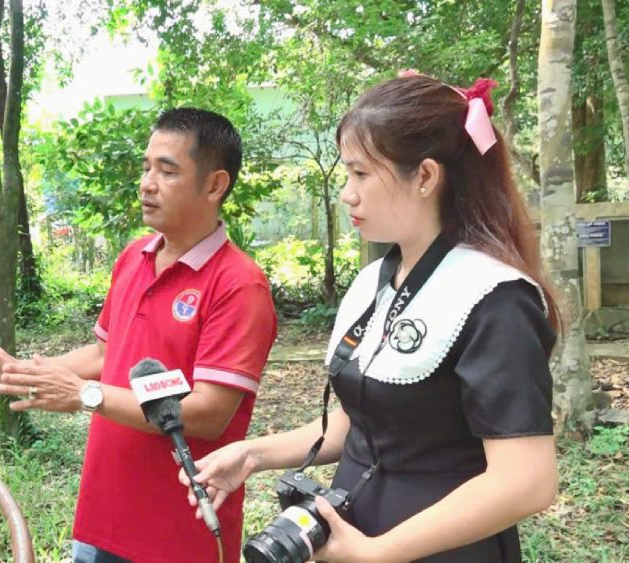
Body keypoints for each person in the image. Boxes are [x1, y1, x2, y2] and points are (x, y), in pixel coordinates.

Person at [182, 74, 560, 562]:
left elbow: (526, 480)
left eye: (360, 174)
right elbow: (362, 424)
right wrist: (252, 454)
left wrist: (378, 552)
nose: (347, 194)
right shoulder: (376, 281)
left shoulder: (495, 297)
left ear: (425, 177)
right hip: (357, 535)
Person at [0, 107, 277, 562]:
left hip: (177, 535)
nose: (147, 184)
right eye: (146, 168)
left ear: (214, 185)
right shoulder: (134, 258)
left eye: (167, 171)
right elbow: (106, 354)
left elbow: (208, 413)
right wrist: (20, 371)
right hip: (103, 516)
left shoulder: (239, 285)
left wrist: (85, 395)